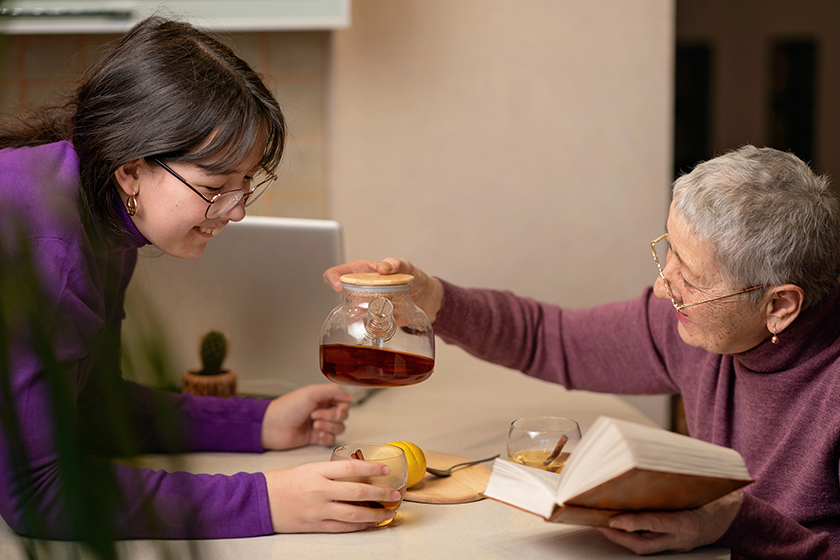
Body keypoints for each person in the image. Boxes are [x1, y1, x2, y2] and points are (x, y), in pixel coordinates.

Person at [325, 145, 840, 558]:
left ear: (780, 307)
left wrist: (734, 522)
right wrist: (435, 298)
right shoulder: (702, 325)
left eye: (692, 277)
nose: (663, 289)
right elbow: (552, 338)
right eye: (671, 255)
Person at [0, 16, 401, 540]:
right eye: (215, 185)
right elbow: (39, 495)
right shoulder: (51, 249)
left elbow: (92, 405)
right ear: (131, 168)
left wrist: (257, 422)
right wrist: (268, 500)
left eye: (246, 185)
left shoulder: (104, 214)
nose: (235, 211)